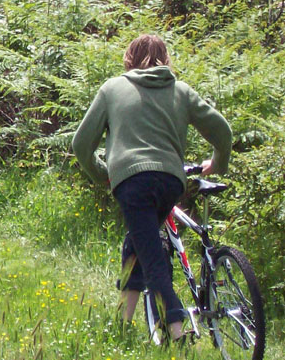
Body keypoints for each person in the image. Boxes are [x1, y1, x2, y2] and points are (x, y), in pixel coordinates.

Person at [72, 33, 232, 342]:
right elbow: (222, 131)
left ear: (129, 59)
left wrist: (102, 174)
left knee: (152, 256)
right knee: (138, 243)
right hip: (172, 182)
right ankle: (122, 321)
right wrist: (218, 163)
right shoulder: (181, 91)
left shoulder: (113, 89)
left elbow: (81, 144)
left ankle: (176, 331)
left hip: (131, 182)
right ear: (167, 59)